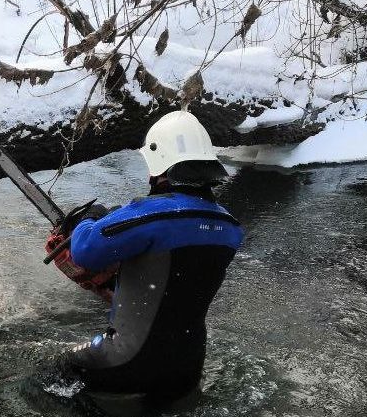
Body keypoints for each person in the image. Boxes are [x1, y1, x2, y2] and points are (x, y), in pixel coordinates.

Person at [44, 110, 244, 401]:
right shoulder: (229, 226)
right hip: (187, 369)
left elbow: (85, 250)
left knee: (52, 369)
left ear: (159, 163)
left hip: (129, 361)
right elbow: (176, 275)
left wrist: (90, 217)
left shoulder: (149, 214)